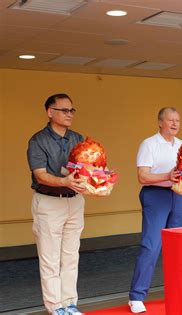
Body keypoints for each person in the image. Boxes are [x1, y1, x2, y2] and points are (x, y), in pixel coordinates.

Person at [27, 94, 86, 315]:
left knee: (71, 255)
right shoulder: (38, 141)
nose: (69, 114)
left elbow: (86, 168)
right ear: (50, 112)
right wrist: (65, 181)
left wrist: (97, 181)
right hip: (49, 202)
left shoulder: (79, 139)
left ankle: (70, 303)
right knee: (50, 257)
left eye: (72, 110)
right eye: (64, 110)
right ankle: (55, 307)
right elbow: (40, 175)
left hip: (75, 201)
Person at [129, 107, 182, 313]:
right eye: (170, 120)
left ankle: (180, 291)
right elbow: (142, 176)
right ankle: (136, 296)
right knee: (151, 245)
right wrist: (166, 176)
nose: (174, 124)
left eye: (177, 120)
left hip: (178, 196)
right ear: (160, 122)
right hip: (155, 195)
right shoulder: (149, 144)